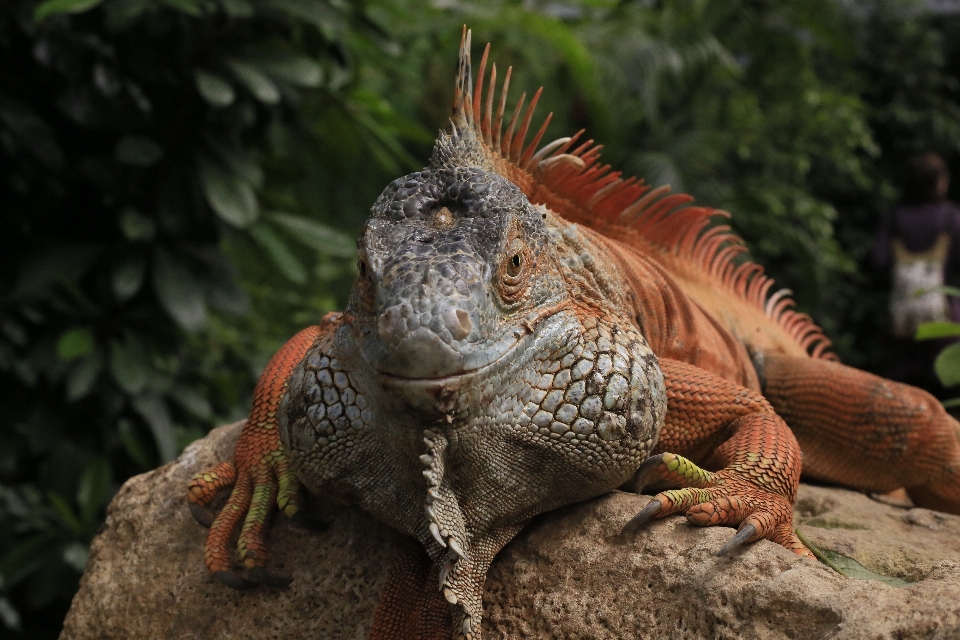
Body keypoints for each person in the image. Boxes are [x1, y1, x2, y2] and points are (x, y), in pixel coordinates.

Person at [873, 152, 960, 393]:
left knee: (906, 393)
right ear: (938, 181)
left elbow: (879, 260)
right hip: (944, 320)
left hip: (903, 320)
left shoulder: (893, 218)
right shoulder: (951, 218)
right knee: (945, 392)